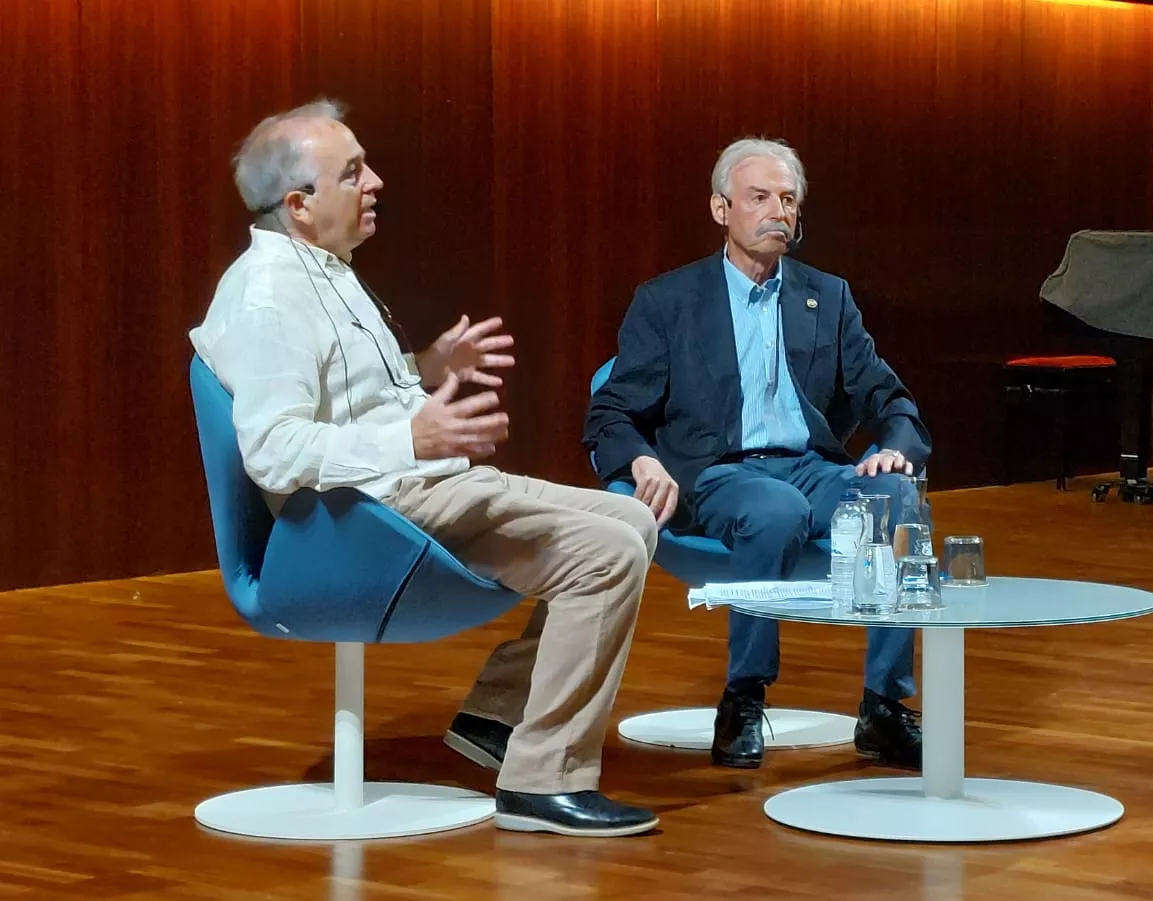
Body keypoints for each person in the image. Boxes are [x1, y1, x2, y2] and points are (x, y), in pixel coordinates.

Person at [189, 99, 659, 838]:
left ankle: (495, 717)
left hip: (407, 489)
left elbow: (340, 397)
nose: (374, 180)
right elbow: (275, 449)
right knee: (604, 556)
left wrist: (426, 366)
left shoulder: (324, 268)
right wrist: (412, 436)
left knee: (632, 518)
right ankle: (543, 780)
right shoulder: (269, 297)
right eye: (352, 172)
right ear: (299, 205)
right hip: (362, 522)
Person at [584, 137, 929, 770]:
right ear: (721, 209)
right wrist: (640, 460)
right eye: (759, 197)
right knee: (773, 510)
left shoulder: (827, 297)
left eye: (789, 200)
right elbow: (610, 409)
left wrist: (895, 449)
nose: (778, 212)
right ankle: (743, 696)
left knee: (894, 499)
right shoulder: (668, 301)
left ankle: (884, 706)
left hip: (809, 466)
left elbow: (890, 397)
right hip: (718, 472)